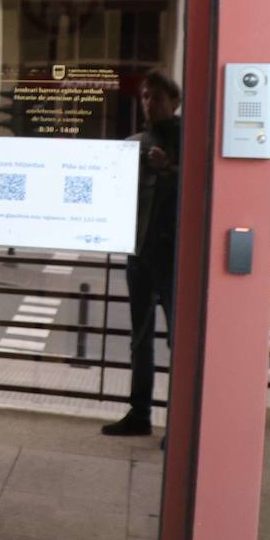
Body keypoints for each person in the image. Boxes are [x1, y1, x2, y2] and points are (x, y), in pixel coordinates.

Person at [103, 68, 181, 438]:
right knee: (140, 338)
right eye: (145, 97)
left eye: (157, 97)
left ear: (175, 101)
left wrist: (170, 169)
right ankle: (140, 415)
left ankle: (178, 425)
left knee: (178, 340)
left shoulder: (190, 141)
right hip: (139, 254)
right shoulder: (133, 143)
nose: (149, 104)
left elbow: (205, 192)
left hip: (173, 259)